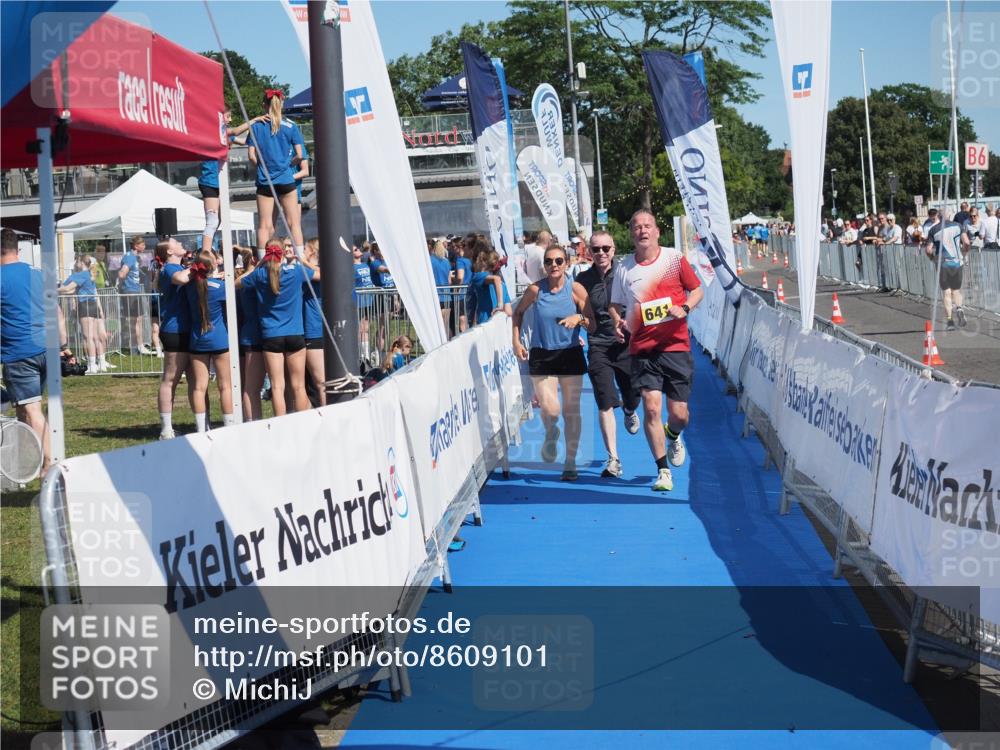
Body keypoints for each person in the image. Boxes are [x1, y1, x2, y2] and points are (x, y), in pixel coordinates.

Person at [609, 210, 703, 492]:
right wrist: (617, 322)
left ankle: (673, 434)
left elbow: (696, 290)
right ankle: (662, 470)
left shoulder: (674, 259)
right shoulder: (624, 268)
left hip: (675, 346)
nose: (642, 231)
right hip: (642, 349)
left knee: (680, 414)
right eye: (637, 227)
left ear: (657, 231)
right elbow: (615, 305)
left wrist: (684, 307)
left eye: (647, 226)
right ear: (631, 234)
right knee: (651, 407)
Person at [512, 244, 596, 481]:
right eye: (549, 261)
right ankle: (551, 431)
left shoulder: (576, 289)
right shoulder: (535, 290)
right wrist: (516, 341)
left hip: (569, 353)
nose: (554, 266)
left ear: (567, 263)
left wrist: (579, 318)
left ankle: (570, 462)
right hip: (542, 353)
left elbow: (593, 323)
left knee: (571, 411)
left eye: (559, 261)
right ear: (544, 265)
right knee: (551, 408)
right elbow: (518, 313)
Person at [575, 231, 641, 478]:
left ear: (614, 249)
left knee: (632, 394)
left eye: (605, 248)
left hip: (626, 343)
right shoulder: (582, 279)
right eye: (595, 249)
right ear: (589, 252)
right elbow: (577, 310)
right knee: (604, 401)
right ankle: (613, 458)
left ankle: (629, 409)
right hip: (598, 344)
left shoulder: (626, 273)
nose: (601, 253)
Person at [236, 238, 320, 416]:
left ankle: (280, 426)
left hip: (271, 335)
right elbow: (320, 275)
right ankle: (302, 422)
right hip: (295, 334)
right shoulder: (296, 271)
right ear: (283, 252)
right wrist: (303, 261)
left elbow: (236, 284)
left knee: (277, 386)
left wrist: (258, 265)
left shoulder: (259, 275)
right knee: (298, 385)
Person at [1, 228, 50, 469]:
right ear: (17, 249)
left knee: (31, 410)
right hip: (44, 349)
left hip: (19, 353)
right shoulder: (39, 273)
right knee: (24, 408)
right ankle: (26, 464)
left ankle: (50, 466)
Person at [248, 89, 306, 258]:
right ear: (281, 104)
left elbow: (251, 155)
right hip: (286, 179)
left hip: (265, 181)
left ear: (263, 105)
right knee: (293, 223)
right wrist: (287, 166)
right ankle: (299, 260)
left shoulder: (256, 126)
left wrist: (261, 167)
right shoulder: (291, 126)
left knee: (265, 225)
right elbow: (300, 154)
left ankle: (263, 261)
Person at [199, 106, 264, 255]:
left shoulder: (225, 136)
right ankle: (205, 255)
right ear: (220, 117)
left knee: (221, 220)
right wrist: (254, 120)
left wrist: (261, 136)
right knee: (212, 221)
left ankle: (212, 251)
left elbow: (243, 140)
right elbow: (235, 131)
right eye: (228, 117)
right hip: (209, 181)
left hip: (219, 183)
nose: (230, 120)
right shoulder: (214, 131)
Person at [186, 250, 234, 431]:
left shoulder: (189, 287)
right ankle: (229, 426)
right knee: (225, 385)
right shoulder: (221, 287)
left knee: (199, 387)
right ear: (213, 266)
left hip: (197, 339)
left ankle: (201, 428)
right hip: (219, 339)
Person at [154, 237, 194, 440]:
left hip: (189, 329)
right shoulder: (170, 268)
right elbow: (181, 279)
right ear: (169, 252)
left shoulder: (178, 266)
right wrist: (198, 266)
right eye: (176, 243)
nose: (180, 244)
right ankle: (166, 428)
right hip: (175, 330)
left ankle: (201, 423)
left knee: (196, 380)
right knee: (171, 379)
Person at [60, 256, 111, 373]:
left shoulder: (80, 275)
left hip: (85, 305)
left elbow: (68, 288)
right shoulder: (89, 274)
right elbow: (72, 290)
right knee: (95, 337)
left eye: (76, 261)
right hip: (93, 305)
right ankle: (100, 362)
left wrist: (52, 289)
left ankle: (92, 365)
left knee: (87, 337)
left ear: (80, 263)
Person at [926, 210, 970, 330]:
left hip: (943, 263)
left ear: (938, 217)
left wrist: (932, 258)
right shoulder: (958, 226)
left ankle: (950, 321)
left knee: (946, 292)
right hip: (957, 262)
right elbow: (966, 242)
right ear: (949, 215)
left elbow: (928, 250)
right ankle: (959, 308)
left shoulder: (933, 230)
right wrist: (964, 253)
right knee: (956, 290)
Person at [235, 247, 265, 421]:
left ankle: (251, 421)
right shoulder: (253, 278)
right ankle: (252, 422)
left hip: (254, 334)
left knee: (251, 386)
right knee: (251, 387)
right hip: (253, 336)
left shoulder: (251, 277)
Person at [301, 237, 326, 406]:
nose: (300, 251)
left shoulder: (317, 271)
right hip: (313, 330)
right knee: (311, 383)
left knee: (321, 382)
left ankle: (327, 417)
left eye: (304, 249)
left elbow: (323, 274)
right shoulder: (306, 271)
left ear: (312, 252)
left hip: (315, 331)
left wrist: (302, 262)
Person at [119, 235, 150, 354]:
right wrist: (122, 285)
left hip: (134, 291)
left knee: (138, 319)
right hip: (130, 292)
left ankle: (138, 346)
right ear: (136, 246)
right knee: (134, 321)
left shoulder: (134, 257)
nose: (144, 246)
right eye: (142, 244)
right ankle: (137, 347)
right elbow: (122, 273)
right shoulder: (130, 257)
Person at [353, 244, 376, 363]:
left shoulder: (366, 264)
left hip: (369, 300)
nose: (359, 250)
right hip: (359, 301)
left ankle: (366, 355)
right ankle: (360, 355)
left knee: (366, 328)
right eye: (356, 249)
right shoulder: (351, 267)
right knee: (360, 328)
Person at [429, 239, 453, 338]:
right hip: (446, 295)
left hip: (435, 295)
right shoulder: (446, 262)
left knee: (435, 325)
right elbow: (450, 281)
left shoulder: (429, 260)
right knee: (446, 324)